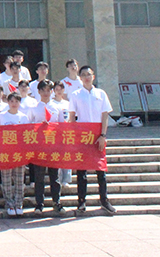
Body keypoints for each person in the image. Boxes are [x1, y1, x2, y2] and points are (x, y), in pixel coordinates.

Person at [68, 65, 117, 215]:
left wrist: (103, 135)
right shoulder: (75, 95)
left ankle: (104, 201)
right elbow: (72, 117)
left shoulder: (101, 94)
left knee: (100, 170)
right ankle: (81, 202)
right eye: (83, 75)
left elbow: (105, 115)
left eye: (88, 74)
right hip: (82, 136)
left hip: (97, 135)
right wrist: (74, 136)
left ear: (93, 76)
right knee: (81, 170)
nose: (86, 77)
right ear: (80, 78)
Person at [28, 79, 63, 214]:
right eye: (43, 90)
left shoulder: (57, 107)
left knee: (55, 176)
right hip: (39, 146)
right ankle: (39, 203)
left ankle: (56, 202)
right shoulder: (34, 108)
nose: (46, 93)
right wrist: (39, 127)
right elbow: (28, 127)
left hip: (53, 146)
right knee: (39, 177)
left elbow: (62, 126)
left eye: (48, 90)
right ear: (38, 91)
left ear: (52, 91)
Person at [0, 92, 30, 216]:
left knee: (19, 179)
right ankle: (9, 204)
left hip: (19, 153)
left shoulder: (24, 117)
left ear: (20, 103)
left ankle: (19, 203)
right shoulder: (2, 116)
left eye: (16, 101)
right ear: (8, 102)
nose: (14, 104)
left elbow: (26, 135)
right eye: (11, 101)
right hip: (6, 152)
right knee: (6, 179)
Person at [52, 81, 73, 187]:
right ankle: (58, 178)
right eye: (57, 89)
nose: (59, 91)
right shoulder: (51, 103)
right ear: (53, 91)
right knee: (57, 155)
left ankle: (66, 179)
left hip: (66, 132)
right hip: (55, 133)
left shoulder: (67, 103)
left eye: (61, 89)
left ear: (64, 90)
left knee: (67, 155)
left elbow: (72, 117)